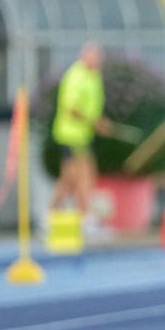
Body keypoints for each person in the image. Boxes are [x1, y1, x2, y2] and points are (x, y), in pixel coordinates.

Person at [51, 43, 111, 223]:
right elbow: (72, 109)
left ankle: (54, 215)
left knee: (69, 179)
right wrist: (95, 123)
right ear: (85, 57)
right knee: (84, 175)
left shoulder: (93, 76)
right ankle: (85, 218)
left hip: (82, 135)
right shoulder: (76, 76)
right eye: (96, 58)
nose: (99, 62)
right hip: (71, 135)